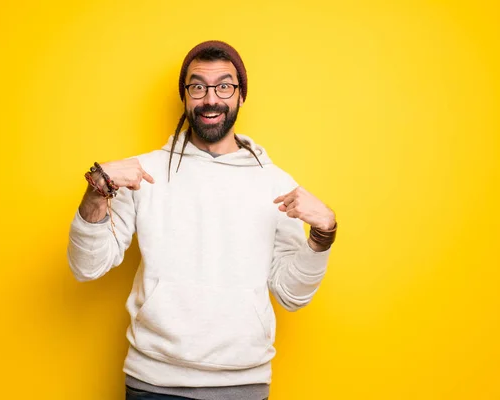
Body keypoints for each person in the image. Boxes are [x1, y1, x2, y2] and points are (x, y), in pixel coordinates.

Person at [67, 40, 337, 400]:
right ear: (185, 96)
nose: (211, 99)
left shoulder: (276, 184)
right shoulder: (142, 173)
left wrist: (323, 235)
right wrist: (97, 189)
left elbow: (290, 295)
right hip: (153, 384)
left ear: (241, 96)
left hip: (243, 384)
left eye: (224, 86)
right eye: (198, 87)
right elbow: (86, 266)